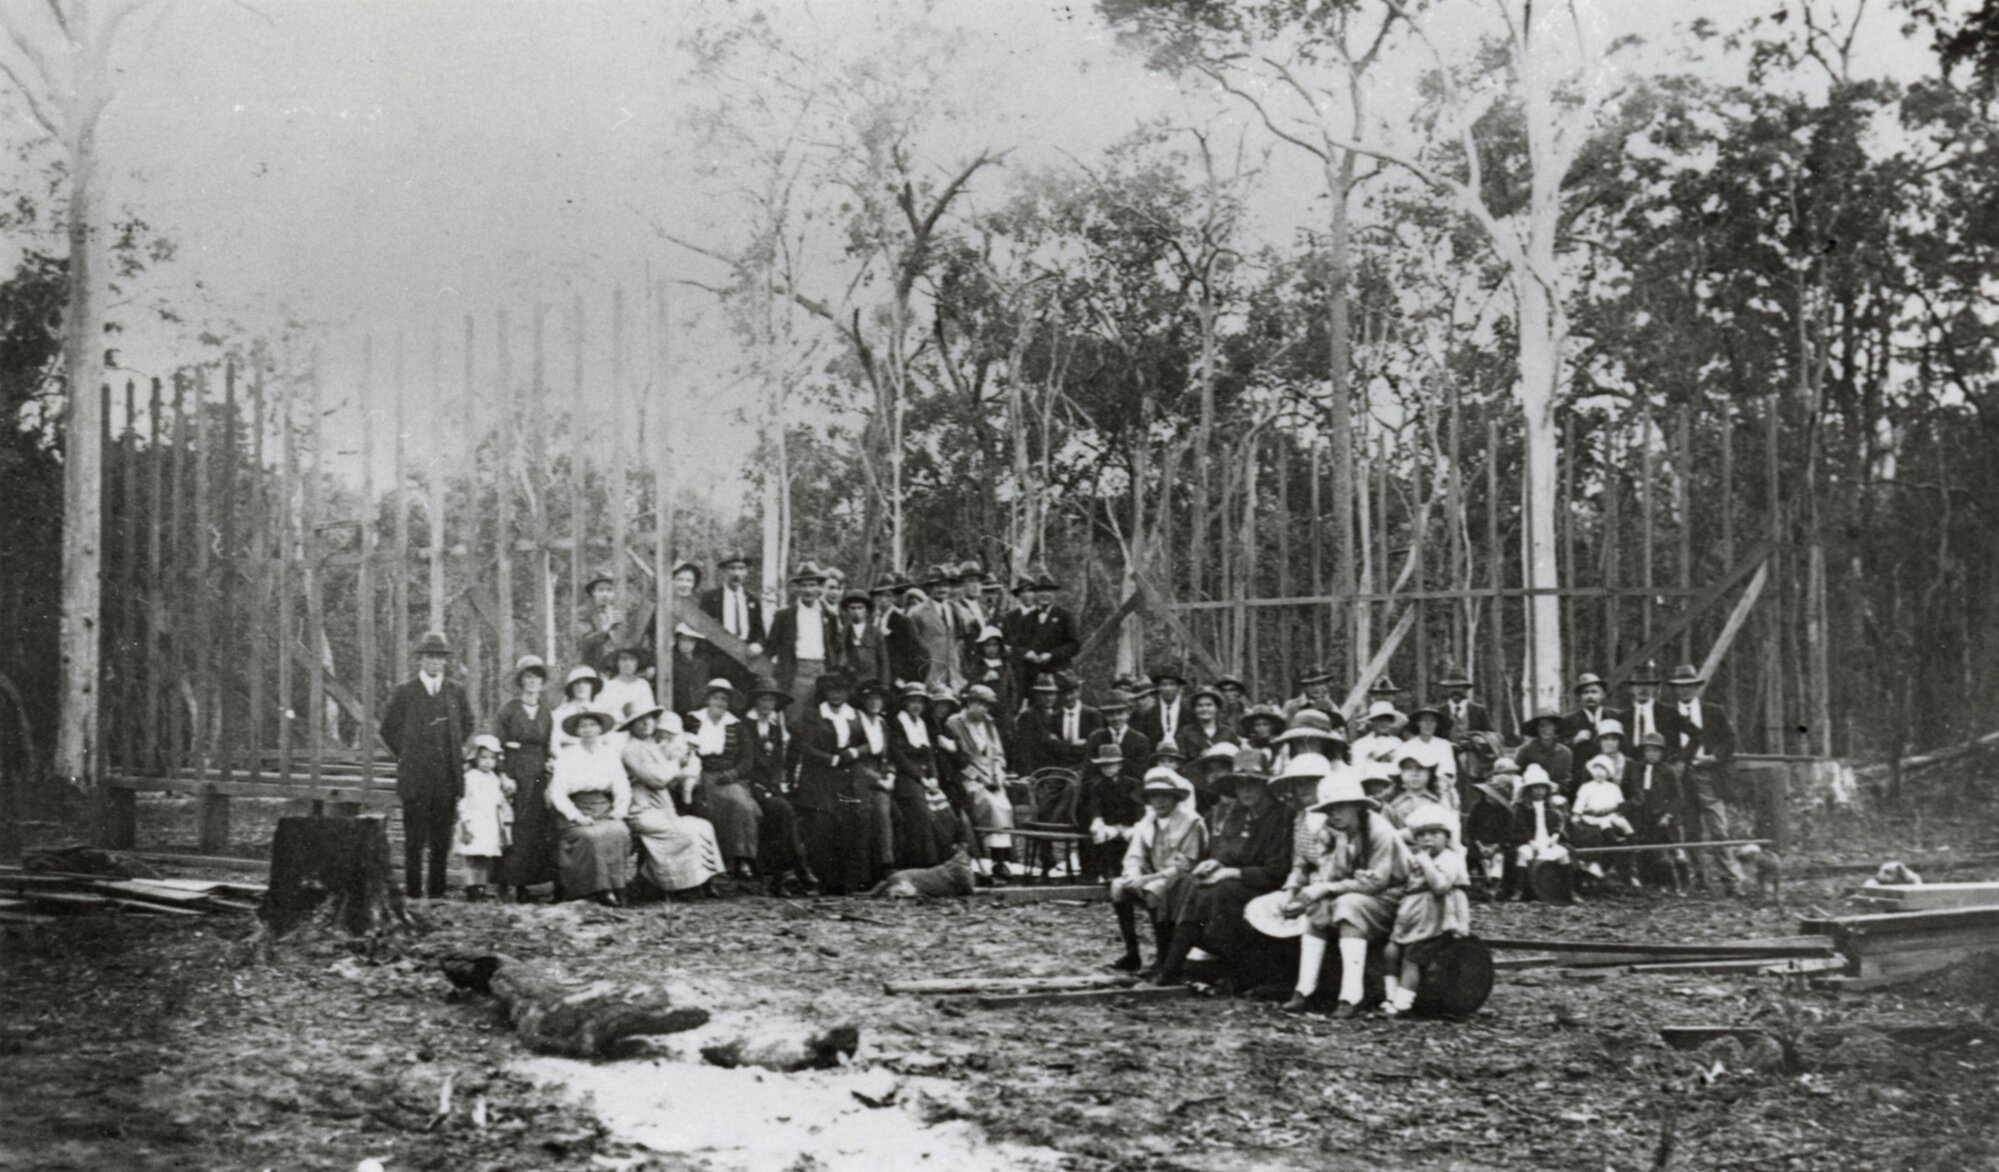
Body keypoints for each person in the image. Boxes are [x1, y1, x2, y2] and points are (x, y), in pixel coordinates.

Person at [1155, 747, 1293, 986]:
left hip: (1272, 886)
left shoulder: (1282, 817)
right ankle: (1168, 961)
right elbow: (1234, 853)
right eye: (1240, 785)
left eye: (1253, 784)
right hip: (1244, 880)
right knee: (1185, 882)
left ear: (1265, 786)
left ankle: (1217, 967)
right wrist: (1216, 863)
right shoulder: (1241, 812)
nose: (1246, 791)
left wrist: (1230, 872)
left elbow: (1276, 872)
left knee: (1217, 892)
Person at [1279, 771, 1409, 1017]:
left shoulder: (1379, 831)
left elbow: (1377, 881)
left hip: (1394, 893)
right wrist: (1316, 888)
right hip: (1355, 890)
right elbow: (1330, 877)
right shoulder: (1330, 831)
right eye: (1329, 809)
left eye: (1341, 807)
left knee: (1349, 905)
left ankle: (1351, 995)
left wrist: (1327, 888)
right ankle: (1304, 989)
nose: (1335, 814)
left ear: (1356, 806)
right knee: (1319, 907)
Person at [379, 631, 476, 900]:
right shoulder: (405, 692)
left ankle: (436, 896)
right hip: (416, 779)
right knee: (414, 840)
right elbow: (388, 730)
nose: (435, 662)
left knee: (440, 842)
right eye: (429, 657)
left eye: (440, 658)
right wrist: (409, 755)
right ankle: (412, 894)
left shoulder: (455, 691)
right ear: (420, 659)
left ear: (446, 661)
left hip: (446, 778)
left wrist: (452, 749)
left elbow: (468, 723)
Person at [1108, 768, 1208, 973]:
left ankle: (1163, 957)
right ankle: (1132, 953)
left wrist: (1147, 879)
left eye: (1165, 796)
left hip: (1183, 880)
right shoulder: (1148, 822)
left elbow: (1186, 864)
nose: (1160, 801)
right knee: (1118, 886)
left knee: (1154, 890)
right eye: (1154, 796)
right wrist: (1133, 875)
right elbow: (1134, 855)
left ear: (1175, 798)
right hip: (1153, 875)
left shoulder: (1191, 821)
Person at [620, 702, 723, 898]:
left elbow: (668, 777)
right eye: (639, 721)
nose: (645, 723)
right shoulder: (631, 750)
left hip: (661, 807)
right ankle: (672, 883)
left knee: (703, 826)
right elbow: (657, 780)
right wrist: (677, 763)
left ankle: (702, 880)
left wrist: (679, 770)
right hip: (642, 810)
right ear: (631, 726)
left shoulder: (653, 745)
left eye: (648, 718)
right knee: (685, 832)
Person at [1382, 801, 1471, 1017]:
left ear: (1447, 837)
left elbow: (1440, 886)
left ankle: (1403, 1004)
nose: (1427, 839)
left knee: (1411, 958)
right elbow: (1407, 882)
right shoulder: (1419, 858)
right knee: (1390, 952)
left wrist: (1426, 863)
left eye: (1434, 833)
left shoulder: (1449, 859)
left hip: (1434, 919)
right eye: (1421, 835)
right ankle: (1390, 996)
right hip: (1411, 914)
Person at [793, 672, 872, 895]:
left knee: (853, 823)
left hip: (850, 777)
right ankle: (826, 882)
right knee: (823, 827)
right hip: (821, 776)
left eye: (841, 690)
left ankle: (852, 882)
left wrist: (854, 751)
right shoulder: (813, 715)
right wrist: (832, 759)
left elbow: (868, 744)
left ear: (847, 693)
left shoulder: (855, 715)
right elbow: (805, 747)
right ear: (824, 693)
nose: (836, 695)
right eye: (831, 690)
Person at [1667, 663, 1743, 892]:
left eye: (1689, 686)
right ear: (1675, 690)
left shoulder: (1713, 711)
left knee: (1718, 828)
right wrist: (1675, 764)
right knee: (1690, 830)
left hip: (1709, 774)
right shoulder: (1668, 714)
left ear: (1696, 687)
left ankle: (1731, 879)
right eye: (1680, 687)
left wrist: (1713, 758)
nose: (1685, 691)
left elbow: (1729, 740)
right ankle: (1700, 878)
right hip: (1681, 776)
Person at [545, 707, 633, 905]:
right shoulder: (568, 756)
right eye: (583, 726)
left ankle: (617, 887)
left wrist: (619, 809)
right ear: (576, 731)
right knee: (590, 836)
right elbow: (557, 792)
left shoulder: (609, 754)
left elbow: (622, 785)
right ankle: (595, 890)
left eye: (592, 725)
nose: (588, 730)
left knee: (619, 831)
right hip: (575, 808)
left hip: (603, 806)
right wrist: (576, 816)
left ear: (600, 729)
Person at [743, 677, 815, 896]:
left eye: (771, 701)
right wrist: (760, 788)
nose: (767, 705)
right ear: (756, 702)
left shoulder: (774, 727)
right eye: (763, 700)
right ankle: (797, 869)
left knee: (785, 812)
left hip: (769, 787)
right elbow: (747, 762)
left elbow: (776, 763)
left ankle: (782, 877)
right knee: (782, 810)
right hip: (748, 785)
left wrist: (775, 785)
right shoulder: (745, 725)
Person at [496, 654, 557, 902]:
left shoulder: (546, 711)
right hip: (515, 770)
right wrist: (502, 775)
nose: (532, 682)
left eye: (537, 678)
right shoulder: (508, 710)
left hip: (539, 773)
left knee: (536, 826)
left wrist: (551, 761)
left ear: (542, 683)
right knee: (514, 827)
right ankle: (509, 882)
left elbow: (549, 744)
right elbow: (496, 745)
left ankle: (529, 885)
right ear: (521, 681)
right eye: (528, 677)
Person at [687, 679, 758, 880]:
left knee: (742, 805)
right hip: (699, 774)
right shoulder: (693, 720)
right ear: (708, 699)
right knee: (706, 808)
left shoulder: (736, 726)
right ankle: (713, 865)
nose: (719, 702)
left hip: (727, 777)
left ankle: (741, 857)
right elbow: (682, 746)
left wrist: (733, 774)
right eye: (716, 697)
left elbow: (747, 759)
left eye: (724, 699)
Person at [951, 683, 1015, 880]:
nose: (983, 709)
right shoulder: (955, 723)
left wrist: (999, 774)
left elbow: (998, 754)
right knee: (990, 803)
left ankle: (1001, 860)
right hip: (969, 777)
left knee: (1003, 803)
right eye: (979, 704)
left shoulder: (989, 723)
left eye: (987, 705)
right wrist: (980, 778)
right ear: (969, 703)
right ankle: (996, 859)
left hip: (992, 777)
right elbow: (957, 760)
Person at [888, 682, 949, 867]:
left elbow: (930, 756)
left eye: (920, 702)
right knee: (922, 816)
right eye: (912, 701)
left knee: (947, 816)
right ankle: (924, 864)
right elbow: (899, 757)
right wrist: (921, 778)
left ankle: (942, 862)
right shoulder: (897, 723)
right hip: (906, 777)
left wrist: (934, 778)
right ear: (904, 703)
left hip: (926, 779)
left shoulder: (922, 724)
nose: (916, 706)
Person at [455, 734, 514, 901]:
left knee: (484, 857)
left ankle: (481, 886)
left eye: (491, 758)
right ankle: (470, 887)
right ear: (476, 758)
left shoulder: (494, 778)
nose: (487, 762)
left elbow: (497, 799)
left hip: (488, 823)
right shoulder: (470, 777)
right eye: (483, 758)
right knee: (471, 857)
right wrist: (465, 823)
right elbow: (464, 801)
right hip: (473, 821)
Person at [766, 562, 834, 702]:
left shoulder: (829, 616)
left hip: (822, 671)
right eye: (804, 585)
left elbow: (835, 647)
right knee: (795, 717)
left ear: (819, 587)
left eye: (812, 585)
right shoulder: (784, 615)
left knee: (819, 715)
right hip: (795, 671)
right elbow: (770, 648)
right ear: (797, 588)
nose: (808, 590)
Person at [1627, 731, 1685, 891]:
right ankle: (1651, 883)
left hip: (1663, 817)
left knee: (1670, 853)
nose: (1651, 754)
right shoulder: (1638, 768)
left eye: (1655, 750)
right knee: (1645, 850)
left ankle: (1678, 885)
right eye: (1648, 750)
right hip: (1644, 817)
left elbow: (1678, 795)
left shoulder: (1667, 771)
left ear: (1662, 753)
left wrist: (1668, 814)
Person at [1078, 741, 1141, 882]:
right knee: (1098, 833)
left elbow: (1138, 806)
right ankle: (1105, 872)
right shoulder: (1097, 785)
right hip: (1109, 824)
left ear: (1120, 765)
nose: (1107, 769)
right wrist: (1097, 819)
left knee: (1136, 838)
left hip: (1129, 824)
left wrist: (1137, 823)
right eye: (1103, 765)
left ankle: (1130, 872)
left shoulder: (1132, 784)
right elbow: (1095, 805)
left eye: (1111, 764)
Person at [853, 678, 897, 878]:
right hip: (860, 776)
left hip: (881, 776)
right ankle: (880, 867)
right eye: (870, 699)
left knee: (891, 812)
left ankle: (886, 864)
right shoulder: (856, 722)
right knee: (878, 810)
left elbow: (888, 758)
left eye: (878, 699)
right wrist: (879, 781)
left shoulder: (883, 724)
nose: (874, 703)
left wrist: (891, 776)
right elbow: (856, 762)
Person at [1506, 764, 1569, 901]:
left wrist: (1555, 836)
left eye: (1542, 787)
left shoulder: (1551, 807)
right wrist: (1530, 841)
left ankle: (1569, 891)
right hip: (1531, 841)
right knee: (1523, 854)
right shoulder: (1522, 808)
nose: (1539, 791)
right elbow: (1521, 827)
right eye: (1535, 787)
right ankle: (1519, 890)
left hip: (1547, 841)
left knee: (1563, 854)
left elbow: (1558, 823)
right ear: (1529, 790)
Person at [1570, 756, 1636, 882]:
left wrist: (1616, 811)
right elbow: (1579, 804)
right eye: (1596, 769)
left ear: (1608, 772)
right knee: (1605, 822)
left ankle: (1632, 844)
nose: (1599, 772)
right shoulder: (1586, 787)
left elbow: (1619, 805)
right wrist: (1576, 815)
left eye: (1603, 769)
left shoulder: (1613, 787)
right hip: (1592, 816)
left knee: (1623, 822)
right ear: (1592, 771)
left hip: (1609, 813)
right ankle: (1614, 840)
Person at [1562, 672, 1625, 792]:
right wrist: (1575, 740)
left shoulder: (1616, 716)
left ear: (1603, 695)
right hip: (1581, 777)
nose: (1590, 696)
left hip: (1612, 773)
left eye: (1594, 692)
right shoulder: (1569, 720)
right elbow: (1561, 749)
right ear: (1580, 697)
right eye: (1585, 693)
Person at [700, 552, 767, 659]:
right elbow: (702, 631)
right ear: (724, 571)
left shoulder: (752, 600)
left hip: (746, 658)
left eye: (741, 568)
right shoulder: (709, 598)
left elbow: (760, 633)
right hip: (719, 657)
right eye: (732, 568)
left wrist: (758, 645)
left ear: (746, 572)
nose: (737, 573)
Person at [1016, 572, 1080, 676]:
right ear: (1036, 594)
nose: (1045, 594)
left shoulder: (1065, 615)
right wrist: (1027, 653)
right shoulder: (1027, 618)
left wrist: (1052, 655)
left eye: (1048, 591)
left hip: (1058, 672)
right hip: (1032, 675)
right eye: (1041, 590)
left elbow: (1074, 645)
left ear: (1054, 594)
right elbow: (1018, 645)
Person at [1085, 690, 1154, 786]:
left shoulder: (1140, 740)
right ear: (1104, 716)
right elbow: (1090, 771)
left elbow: (1140, 773)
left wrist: (1119, 782)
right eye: (1110, 714)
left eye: (1120, 713)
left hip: (1130, 791)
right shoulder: (1095, 738)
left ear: (1128, 713)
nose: (1116, 718)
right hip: (1102, 790)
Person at [962, 626, 1019, 739]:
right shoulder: (977, 665)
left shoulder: (1005, 665)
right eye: (987, 645)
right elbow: (969, 687)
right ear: (982, 646)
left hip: (1003, 711)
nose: (991, 649)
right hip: (983, 710)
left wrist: (1012, 709)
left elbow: (1013, 688)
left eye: (995, 645)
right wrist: (983, 679)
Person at [1400, 705, 1458, 805]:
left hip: (1438, 787)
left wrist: (1439, 786)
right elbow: (1402, 771)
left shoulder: (1444, 745)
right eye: (1425, 720)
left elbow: (1448, 770)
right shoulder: (1406, 747)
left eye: (1432, 721)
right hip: (1412, 787)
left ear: (1437, 725)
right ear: (1418, 723)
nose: (1428, 724)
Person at [597, 647, 657, 744]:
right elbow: (601, 713)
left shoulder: (642, 685)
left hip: (639, 733)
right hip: (615, 733)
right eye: (623, 659)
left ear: (637, 663)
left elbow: (649, 711)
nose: (627, 663)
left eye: (632, 659)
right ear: (617, 662)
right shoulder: (607, 686)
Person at [834, 587, 891, 688]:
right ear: (847, 610)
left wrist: (884, 684)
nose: (856, 612)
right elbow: (839, 657)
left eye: (860, 608)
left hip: (871, 681)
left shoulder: (875, 632)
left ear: (867, 610)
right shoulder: (843, 632)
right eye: (853, 608)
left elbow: (883, 661)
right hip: (849, 682)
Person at [574, 572, 626, 673]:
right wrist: (607, 627)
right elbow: (585, 642)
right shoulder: (583, 612)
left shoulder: (617, 612)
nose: (605, 594)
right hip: (591, 668)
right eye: (601, 590)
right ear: (593, 592)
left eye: (609, 590)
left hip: (614, 669)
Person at [551, 664, 605, 760]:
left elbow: (608, 741)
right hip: (569, 762)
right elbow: (554, 746)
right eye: (577, 683)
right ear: (571, 687)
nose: (581, 686)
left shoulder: (601, 711)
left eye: (585, 682)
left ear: (592, 686)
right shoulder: (560, 713)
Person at [1514, 709, 1573, 791]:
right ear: (1536, 729)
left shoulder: (1565, 753)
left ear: (1555, 727)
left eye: (1549, 725)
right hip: (1531, 793)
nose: (1545, 729)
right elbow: (1517, 775)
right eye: (1541, 726)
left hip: (1555, 792)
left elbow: (1567, 779)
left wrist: (1557, 787)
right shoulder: (1525, 750)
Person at [1272, 707, 1345, 771]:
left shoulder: (1338, 770)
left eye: (1311, 741)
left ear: (1325, 743)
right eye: (1299, 742)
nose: (1306, 747)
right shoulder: (1291, 768)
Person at [665, 623, 713, 717]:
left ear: (695, 643)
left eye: (690, 641)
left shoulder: (702, 662)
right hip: (679, 708)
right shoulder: (672, 660)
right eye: (683, 640)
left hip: (699, 708)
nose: (686, 645)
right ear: (677, 641)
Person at [1434, 663, 1493, 737]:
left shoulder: (1479, 711)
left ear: (1466, 688)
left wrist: (1479, 739)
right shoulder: (1439, 712)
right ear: (1447, 689)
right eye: (1451, 687)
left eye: (1459, 686)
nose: (1455, 690)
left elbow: (1492, 736)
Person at [1135, 666, 1187, 748]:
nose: (1167, 688)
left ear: (1179, 687)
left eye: (1172, 684)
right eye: (1164, 684)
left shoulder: (1189, 712)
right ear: (1158, 687)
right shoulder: (1149, 714)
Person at [1349, 700, 1409, 772]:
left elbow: (1400, 769)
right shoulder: (1360, 744)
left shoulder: (1398, 743)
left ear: (1392, 722)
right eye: (1380, 719)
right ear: (1372, 721)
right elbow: (1358, 769)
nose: (1384, 723)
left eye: (1387, 720)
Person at [1624, 661, 1672, 745]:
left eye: (1648, 684)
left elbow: (1696, 734)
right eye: (1638, 685)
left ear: (1655, 687)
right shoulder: (1623, 717)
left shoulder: (1669, 713)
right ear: (1631, 688)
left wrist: (1683, 756)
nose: (1643, 689)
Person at [1176, 686, 1226, 760]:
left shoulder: (1228, 732)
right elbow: (1180, 762)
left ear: (1217, 708)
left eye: (1209, 705)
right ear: (1194, 709)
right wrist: (1200, 758)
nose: (1204, 709)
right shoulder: (1185, 733)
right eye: (1200, 705)